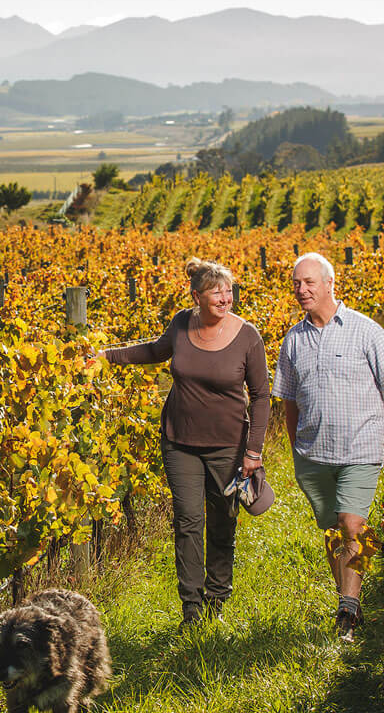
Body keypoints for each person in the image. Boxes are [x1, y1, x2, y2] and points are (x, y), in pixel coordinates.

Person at [103, 258, 270, 627]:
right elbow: (153, 351)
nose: (226, 298)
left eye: (228, 290)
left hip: (229, 446)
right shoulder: (181, 323)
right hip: (179, 441)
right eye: (216, 292)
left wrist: (253, 451)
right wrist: (105, 357)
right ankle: (192, 607)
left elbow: (260, 397)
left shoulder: (248, 336)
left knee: (223, 522)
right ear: (196, 296)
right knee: (188, 521)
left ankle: (217, 597)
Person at [272, 252, 384, 641]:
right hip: (313, 455)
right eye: (296, 283)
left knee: (352, 524)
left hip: (361, 448)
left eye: (309, 282)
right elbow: (289, 401)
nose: (302, 290)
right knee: (334, 530)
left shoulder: (367, 331)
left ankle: (345, 613)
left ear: (331, 284)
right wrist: (298, 450)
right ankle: (349, 600)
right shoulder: (293, 340)